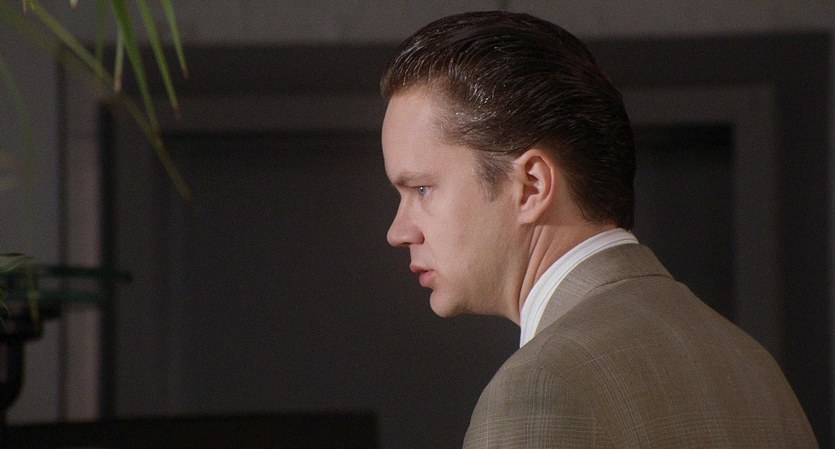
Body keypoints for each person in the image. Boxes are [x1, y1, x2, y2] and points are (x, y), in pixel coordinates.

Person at [379, 10, 818, 449]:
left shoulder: (541, 386)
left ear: (531, 186)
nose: (398, 232)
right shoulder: (751, 366)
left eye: (421, 189)